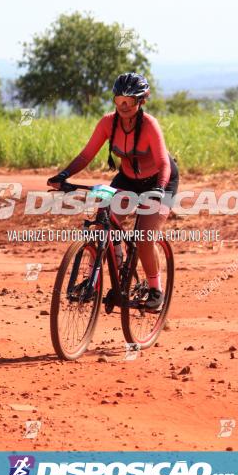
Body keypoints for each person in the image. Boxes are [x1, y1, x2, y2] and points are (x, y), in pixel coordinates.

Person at [47, 72, 179, 310]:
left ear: (142, 101)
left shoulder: (149, 124)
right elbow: (87, 154)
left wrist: (159, 189)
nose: (124, 105)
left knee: (144, 236)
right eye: (119, 100)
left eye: (130, 100)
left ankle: (155, 290)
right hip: (128, 179)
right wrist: (64, 175)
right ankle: (96, 279)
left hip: (160, 181)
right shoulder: (108, 122)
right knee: (103, 219)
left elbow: (163, 162)